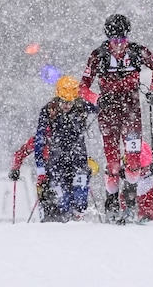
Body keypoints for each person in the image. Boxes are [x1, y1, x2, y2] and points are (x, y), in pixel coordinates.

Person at [78, 13, 153, 223]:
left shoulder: (137, 51)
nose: (119, 44)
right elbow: (82, 88)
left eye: (122, 39)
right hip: (108, 115)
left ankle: (130, 202)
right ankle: (112, 203)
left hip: (131, 113)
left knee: (134, 164)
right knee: (114, 165)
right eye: (114, 40)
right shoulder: (98, 56)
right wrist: (97, 99)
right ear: (108, 37)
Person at [34, 75, 98, 222]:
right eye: (63, 102)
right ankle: (66, 220)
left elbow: (100, 106)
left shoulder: (82, 106)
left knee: (80, 197)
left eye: (70, 102)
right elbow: (39, 140)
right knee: (63, 200)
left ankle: (79, 217)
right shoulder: (48, 110)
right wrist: (40, 169)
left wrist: (103, 101)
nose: (67, 106)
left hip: (78, 158)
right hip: (56, 161)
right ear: (58, 97)